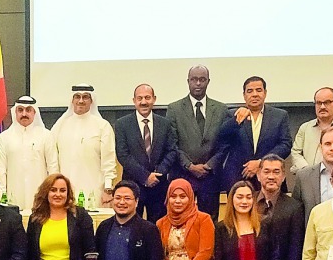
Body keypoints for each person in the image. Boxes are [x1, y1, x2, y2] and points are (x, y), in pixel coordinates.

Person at [167, 65, 228, 219]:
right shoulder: (174, 109)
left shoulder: (221, 109)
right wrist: (189, 166)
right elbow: (171, 143)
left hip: (210, 177)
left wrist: (209, 165)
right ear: (188, 81)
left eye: (202, 79)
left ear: (208, 81)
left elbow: (224, 143)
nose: (198, 83)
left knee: (209, 221)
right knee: (180, 219)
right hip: (182, 174)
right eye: (194, 79)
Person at [115, 84, 179, 221]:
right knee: (131, 226)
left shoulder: (165, 124)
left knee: (157, 228)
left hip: (159, 186)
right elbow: (123, 155)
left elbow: (172, 151)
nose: (143, 102)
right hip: (132, 186)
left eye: (147, 98)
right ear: (134, 101)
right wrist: (145, 177)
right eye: (140, 98)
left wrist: (157, 174)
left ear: (154, 99)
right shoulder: (122, 124)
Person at [217, 76, 292, 190]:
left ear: (265, 93)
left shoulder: (280, 116)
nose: (255, 94)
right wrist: (236, 121)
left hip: (269, 177)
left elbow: (285, 144)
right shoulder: (233, 114)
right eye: (250, 91)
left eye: (259, 90)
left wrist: (261, 163)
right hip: (238, 178)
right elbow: (221, 137)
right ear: (244, 95)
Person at [52, 84, 116, 207]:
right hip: (64, 191)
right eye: (77, 97)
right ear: (72, 100)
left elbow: (109, 160)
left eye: (85, 97)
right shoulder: (60, 126)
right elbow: (53, 161)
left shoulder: (103, 126)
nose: (81, 101)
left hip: (94, 189)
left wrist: (108, 189)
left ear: (91, 100)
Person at [0, 96, 58, 209]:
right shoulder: (4, 137)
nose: (24, 113)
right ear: (15, 112)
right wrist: (2, 195)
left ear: (34, 112)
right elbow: (1, 170)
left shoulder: (46, 135)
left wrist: (51, 192)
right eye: (20, 110)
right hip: (13, 195)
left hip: (40, 195)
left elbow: (53, 168)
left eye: (28, 110)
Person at [289, 87, 333, 174]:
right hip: (307, 178)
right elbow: (296, 153)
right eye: (318, 103)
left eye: (327, 102)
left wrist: (326, 171)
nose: (322, 106)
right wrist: (309, 172)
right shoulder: (305, 128)